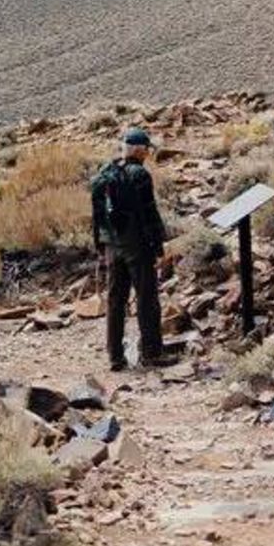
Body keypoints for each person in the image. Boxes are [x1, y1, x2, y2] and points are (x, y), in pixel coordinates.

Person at [91, 126, 169, 370]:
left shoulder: (106, 172)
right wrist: (157, 245)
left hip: (112, 245)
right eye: (146, 149)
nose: (148, 154)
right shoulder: (140, 175)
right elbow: (149, 213)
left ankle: (115, 356)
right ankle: (151, 354)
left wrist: (100, 244)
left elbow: (97, 214)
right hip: (137, 245)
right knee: (147, 298)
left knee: (116, 300)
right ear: (138, 150)